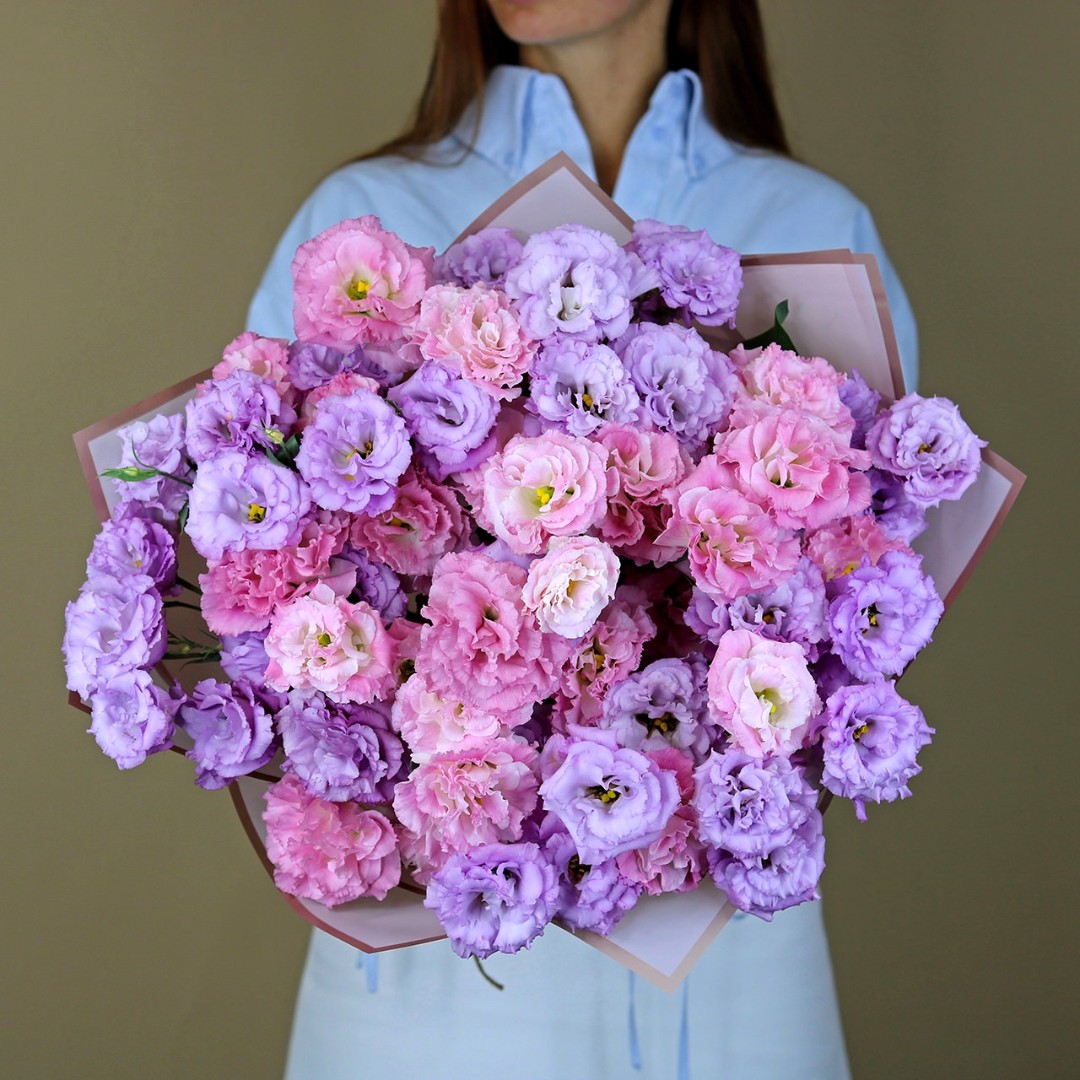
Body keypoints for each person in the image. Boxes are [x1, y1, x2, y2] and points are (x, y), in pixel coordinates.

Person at [247, 3, 918, 1076]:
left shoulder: (811, 223)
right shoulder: (367, 222)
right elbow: (270, 584)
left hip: (727, 972)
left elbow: (868, 591)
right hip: (446, 981)